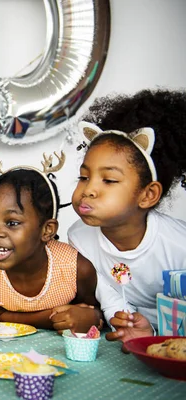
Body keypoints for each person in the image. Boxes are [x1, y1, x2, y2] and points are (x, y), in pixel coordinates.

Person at [68, 89, 186, 347]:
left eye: (109, 180)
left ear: (147, 195)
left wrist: (160, 334)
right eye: (84, 177)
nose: (88, 189)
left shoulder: (180, 246)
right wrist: (127, 322)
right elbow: (110, 296)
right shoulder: (79, 237)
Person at [0, 168, 102, 332]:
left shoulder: (77, 269)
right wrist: (50, 318)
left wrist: (92, 317)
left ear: (47, 230)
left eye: (12, 223)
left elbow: (93, 314)